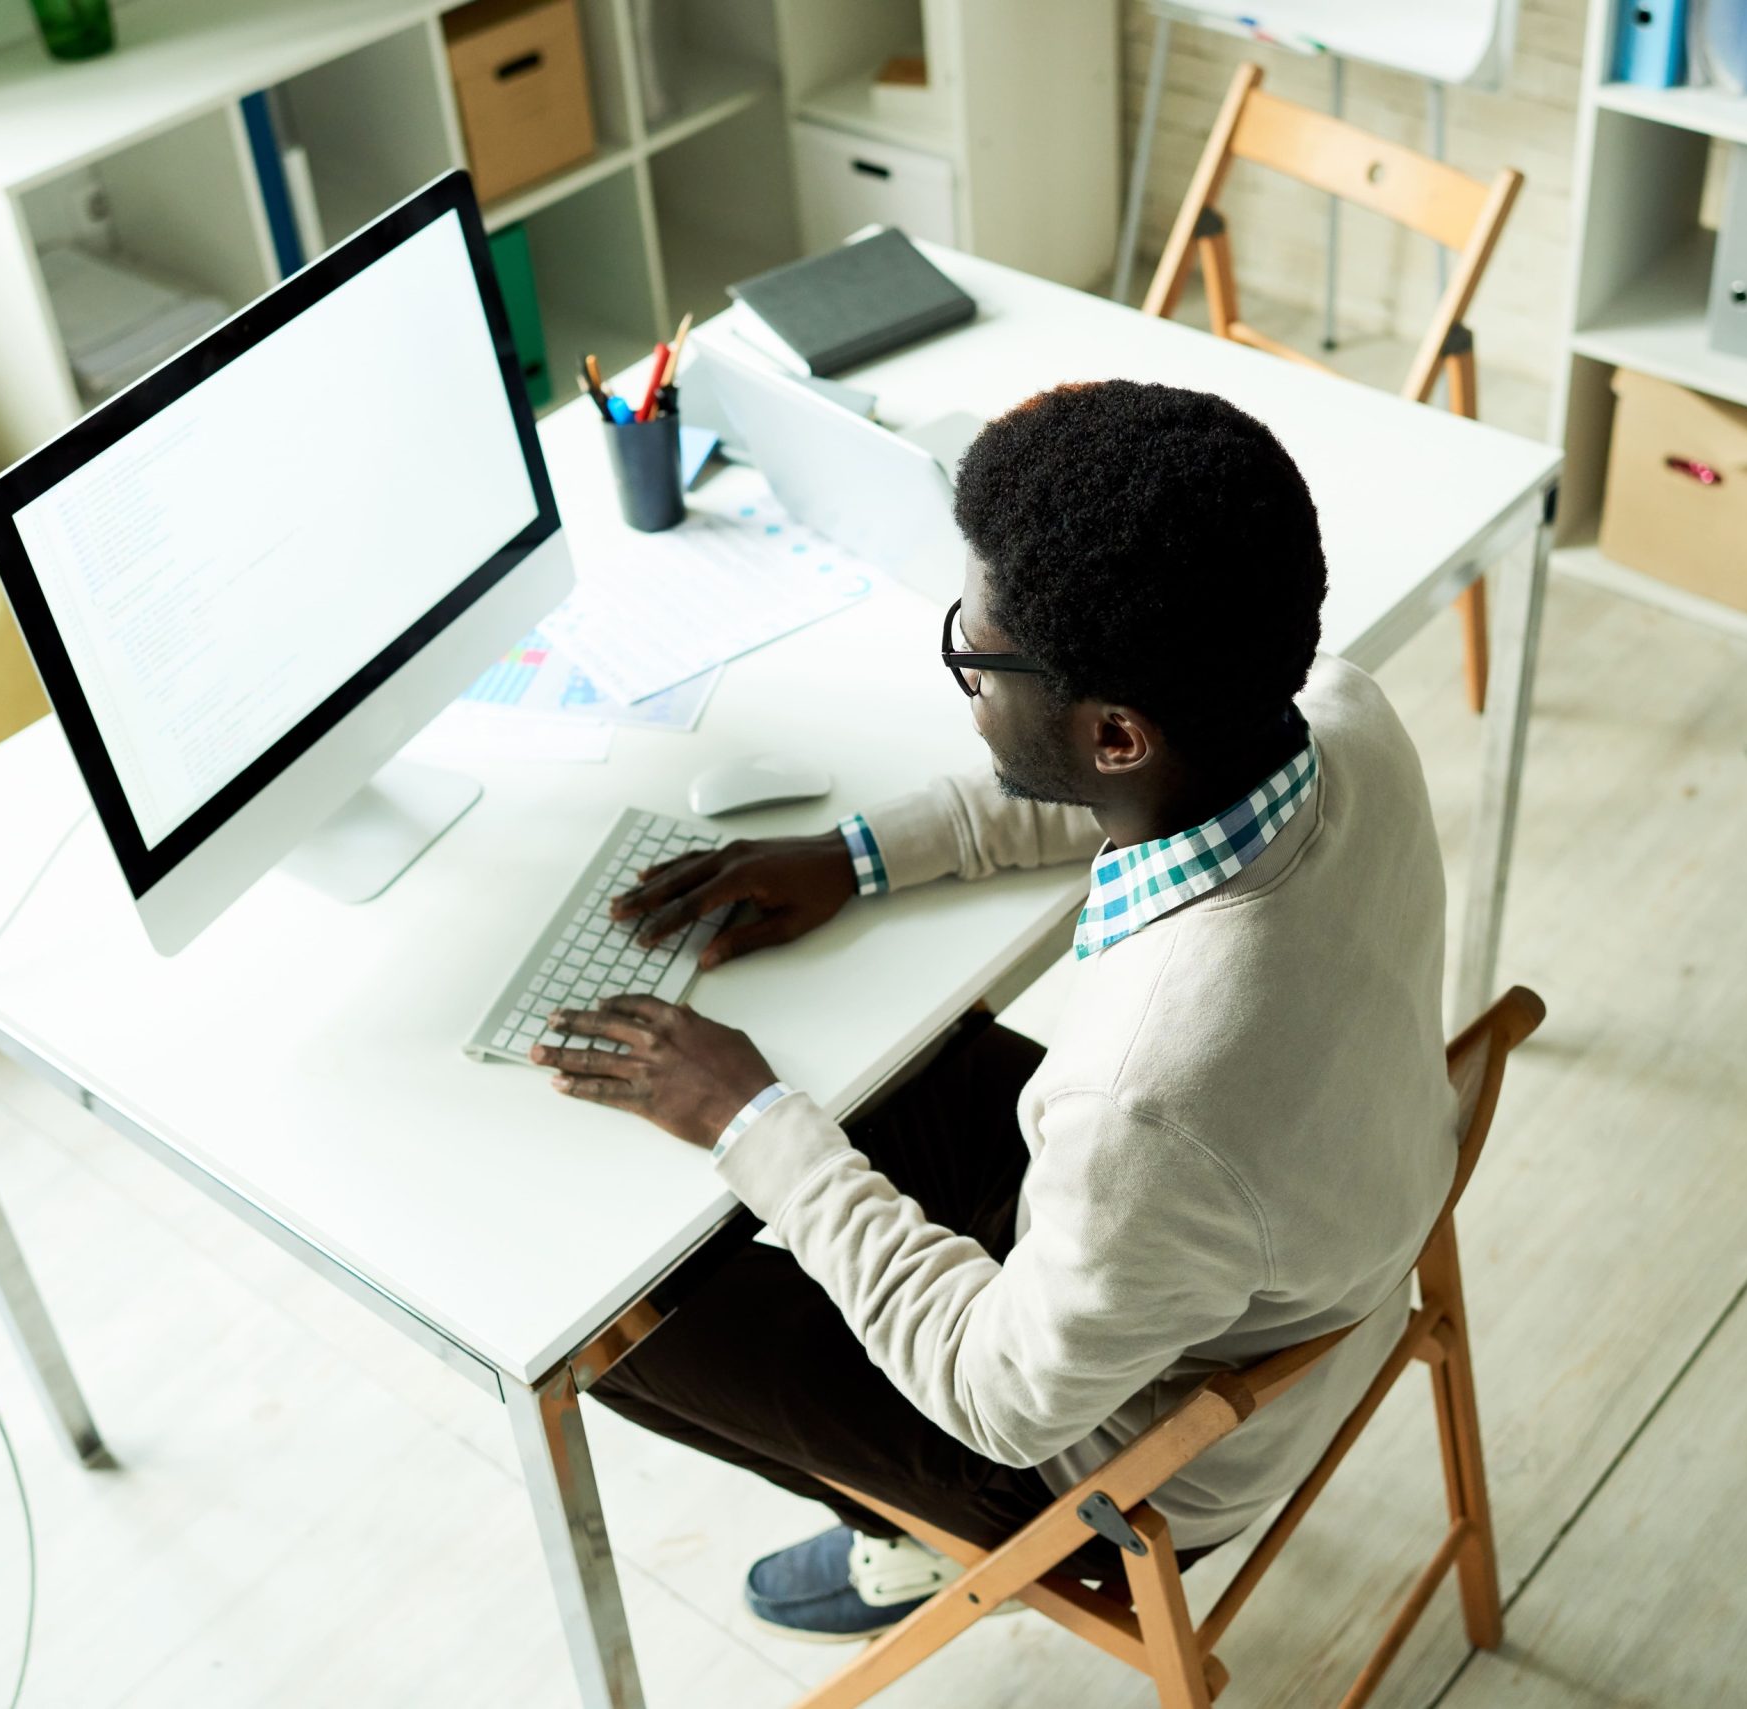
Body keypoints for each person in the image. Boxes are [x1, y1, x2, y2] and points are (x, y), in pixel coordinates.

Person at [532, 379, 1457, 1641]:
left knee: (603, 1324)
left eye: (977, 656)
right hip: (1281, 1223)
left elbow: (1000, 1393)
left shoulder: (1148, 1088)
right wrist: (855, 855)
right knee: (861, 1077)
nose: (963, 669)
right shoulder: (1339, 712)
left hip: (1116, 1458)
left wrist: (753, 1120)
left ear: (1117, 732)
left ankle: (907, 1539)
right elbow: (1089, 789)